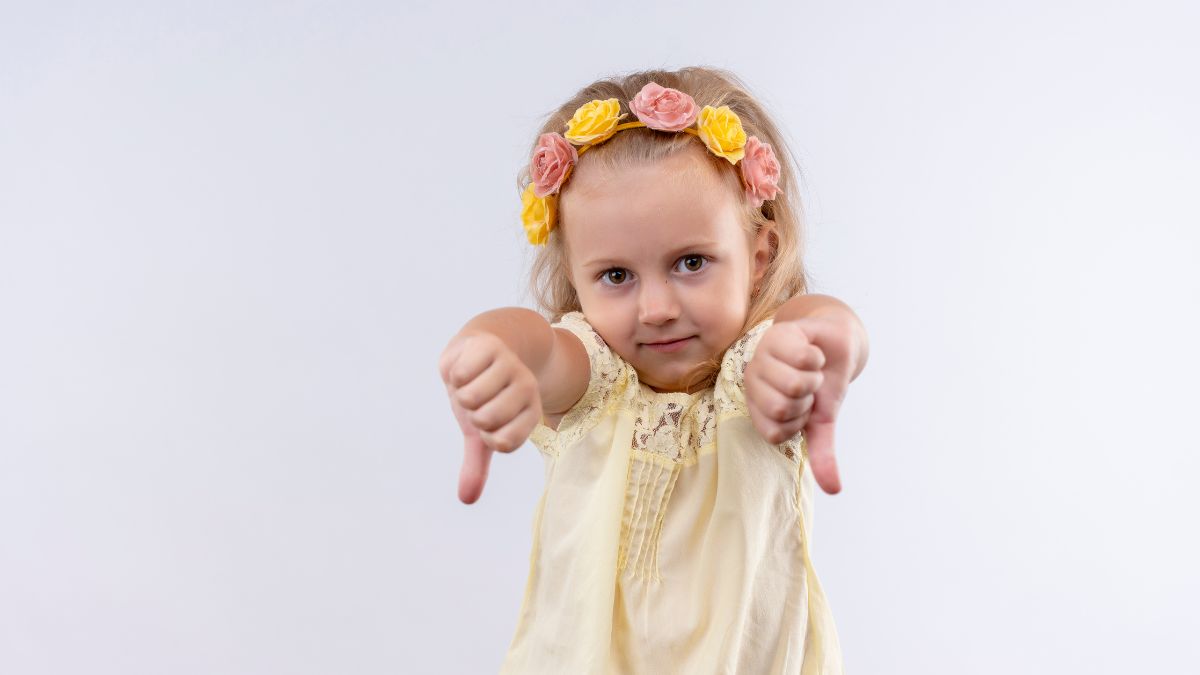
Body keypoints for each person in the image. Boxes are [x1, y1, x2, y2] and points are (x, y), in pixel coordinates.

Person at [438, 67, 869, 674]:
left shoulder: (756, 381)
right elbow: (542, 351)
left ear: (759, 255)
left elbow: (808, 327)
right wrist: (493, 345)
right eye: (616, 276)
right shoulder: (596, 381)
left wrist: (823, 342)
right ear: (577, 282)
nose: (658, 309)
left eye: (691, 262)